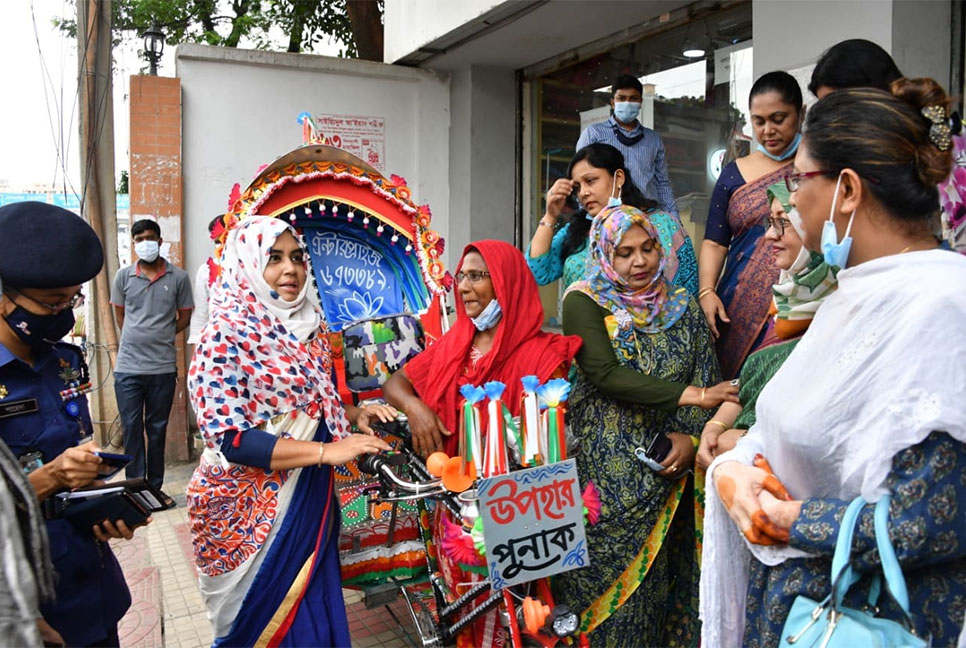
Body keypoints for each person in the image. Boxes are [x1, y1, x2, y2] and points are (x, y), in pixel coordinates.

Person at [701, 79, 966, 648]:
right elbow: (787, 428)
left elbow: (931, 520)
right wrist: (734, 472)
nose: (790, 199)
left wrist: (784, 518)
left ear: (846, 189)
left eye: (799, 178)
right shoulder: (851, 295)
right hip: (801, 617)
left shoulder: (942, 307)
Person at [186, 216, 393, 646]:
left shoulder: (311, 328)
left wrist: (353, 414)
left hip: (308, 499)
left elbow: (311, 401)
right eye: (274, 258)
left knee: (312, 613)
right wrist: (326, 453)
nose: (291, 270)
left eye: (297, 257)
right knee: (263, 626)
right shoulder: (223, 336)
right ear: (247, 264)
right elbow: (232, 440)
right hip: (249, 516)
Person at [382, 240, 581, 647]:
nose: (465, 287)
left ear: (505, 282)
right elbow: (395, 383)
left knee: (521, 613)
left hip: (518, 508)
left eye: (477, 276)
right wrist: (416, 408)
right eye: (461, 278)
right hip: (456, 504)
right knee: (465, 609)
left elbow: (545, 434)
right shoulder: (455, 345)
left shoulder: (543, 352)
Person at [554, 204, 724, 646]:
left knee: (658, 595)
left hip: (669, 474)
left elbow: (704, 371)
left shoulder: (682, 306)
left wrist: (690, 439)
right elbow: (603, 373)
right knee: (598, 593)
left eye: (648, 248)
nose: (640, 261)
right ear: (606, 254)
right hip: (606, 479)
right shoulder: (584, 299)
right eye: (625, 252)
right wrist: (697, 398)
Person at [0, 202, 147, 647]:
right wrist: (46, 480)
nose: (65, 313)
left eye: (72, 300)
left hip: (90, 578)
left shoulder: (65, 360)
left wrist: (102, 509)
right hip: (26, 598)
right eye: (52, 303)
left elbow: (74, 446)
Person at [695, 182, 837, 470]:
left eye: (783, 222)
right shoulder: (785, 302)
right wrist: (714, 428)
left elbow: (821, 430)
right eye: (770, 223)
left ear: (816, 229)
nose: (769, 236)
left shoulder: (839, 309)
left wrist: (745, 440)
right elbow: (750, 382)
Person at [809, 38, 966, 255]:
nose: (833, 119)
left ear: (874, 92)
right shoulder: (870, 155)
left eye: (839, 105)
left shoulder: (936, 149)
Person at [699, 71, 804, 379]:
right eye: (759, 122)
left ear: (801, 114)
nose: (768, 130)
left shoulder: (817, 167)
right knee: (733, 389)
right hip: (737, 306)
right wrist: (707, 291)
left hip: (799, 302)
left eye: (778, 118)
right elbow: (715, 241)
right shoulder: (734, 173)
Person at [527, 142, 698, 295]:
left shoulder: (662, 224)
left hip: (655, 327)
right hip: (585, 329)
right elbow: (537, 272)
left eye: (591, 180)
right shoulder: (579, 230)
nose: (583, 193)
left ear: (619, 179)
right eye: (578, 187)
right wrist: (550, 215)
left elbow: (688, 291)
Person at [111, 218, 193, 505]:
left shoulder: (178, 278)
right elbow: (120, 315)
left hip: (162, 368)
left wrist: (160, 333)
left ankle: (155, 489)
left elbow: (184, 317)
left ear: (159, 241)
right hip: (128, 369)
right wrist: (138, 334)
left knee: (156, 430)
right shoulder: (123, 277)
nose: (144, 243)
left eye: (149, 237)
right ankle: (136, 491)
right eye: (139, 239)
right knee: (132, 429)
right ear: (134, 244)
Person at [576, 74, 678, 217]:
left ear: (641, 102)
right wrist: (585, 219)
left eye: (633, 98)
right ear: (612, 102)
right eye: (622, 98)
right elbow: (581, 178)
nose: (627, 103)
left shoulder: (653, 139)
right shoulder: (594, 135)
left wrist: (674, 218)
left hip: (647, 215)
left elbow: (662, 183)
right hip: (607, 217)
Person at [187, 214, 225, 348]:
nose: (221, 245)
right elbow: (200, 313)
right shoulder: (206, 271)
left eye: (225, 238)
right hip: (217, 345)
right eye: (217, 241)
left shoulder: (253, 267)